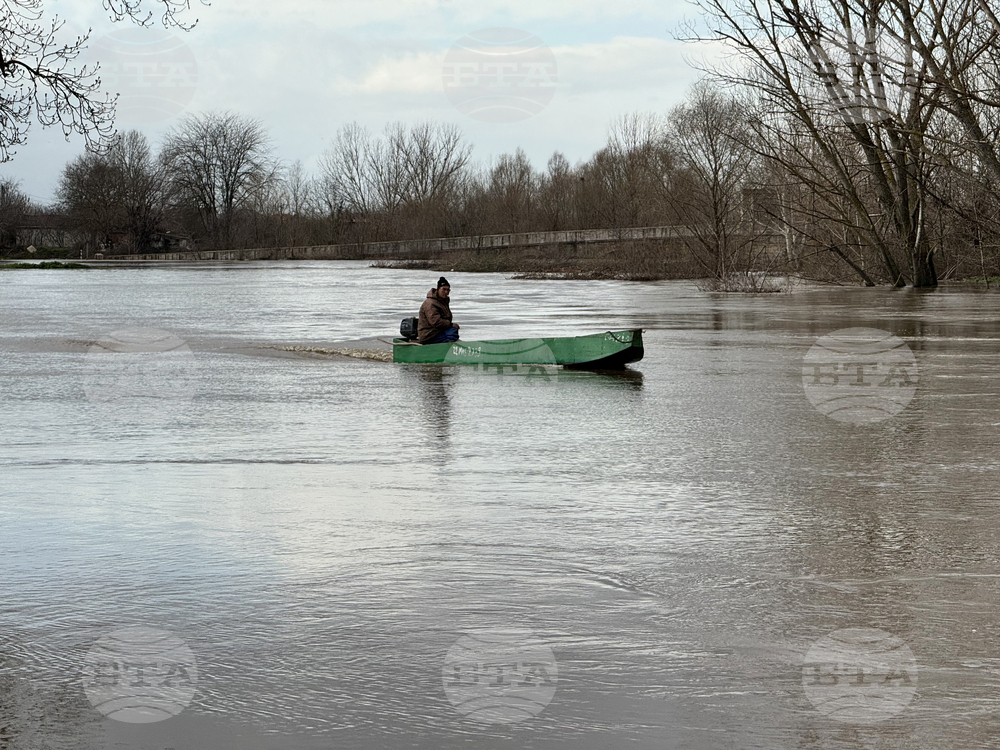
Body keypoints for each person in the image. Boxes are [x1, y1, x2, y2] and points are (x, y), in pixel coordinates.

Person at [418, 277, 460, 344]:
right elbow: (436, 322)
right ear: (438, 289)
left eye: (448, 290)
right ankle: (446, 350)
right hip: (429, 334)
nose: (446, 292)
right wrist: (450, 324)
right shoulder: (431, 303)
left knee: (453, 331)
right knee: (452, 333)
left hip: (437, 331)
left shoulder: (442, 302)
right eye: (444, 289)